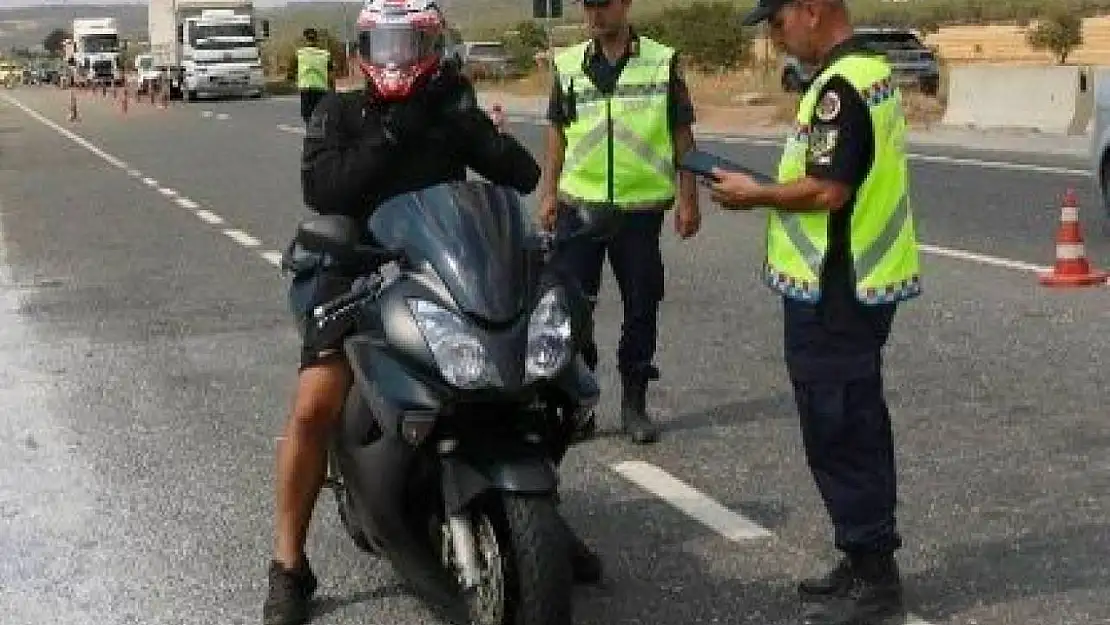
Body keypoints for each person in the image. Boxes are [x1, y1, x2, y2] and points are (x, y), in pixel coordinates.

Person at [264, 2, 601, 624]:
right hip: (359, 266)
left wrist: (475, 131)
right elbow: (326, 191)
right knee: (315, 403)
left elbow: (518, 176)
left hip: (444, 269)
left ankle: (540, 517)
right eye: (382, 44)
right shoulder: (338, 113)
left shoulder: (451, 104)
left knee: (539, 372)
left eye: (408, 44)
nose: (395, 59)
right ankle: (289, 564)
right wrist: (398, 129)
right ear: (361, 49)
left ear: (432, 47)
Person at [708, 1, 921, 623]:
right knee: (852, 422)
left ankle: (875, 578)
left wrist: (756, 195)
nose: (775, 39)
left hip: (836, 287)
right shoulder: (869, 71)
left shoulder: (840, 87)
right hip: (857, 283)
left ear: (809, 9)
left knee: (840, 430)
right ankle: (861, 557)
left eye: (777, 24)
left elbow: (828, 189)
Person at [540, 0, 701, 445]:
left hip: (639, 212)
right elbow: (557, 130)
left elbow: (682, 134)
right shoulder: (568, 65)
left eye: (604, 4)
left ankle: (634, 402)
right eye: (588, 5)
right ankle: (578, 405)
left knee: (641, 307)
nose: (595, 14)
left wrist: (690, 199)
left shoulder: (662, 63)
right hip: (580, 208)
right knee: (573, 312)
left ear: (625, 5)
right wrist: (549, 192)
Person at [293, 28, 334, 126]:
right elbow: (331, 70)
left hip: (306, 88)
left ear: (306, 39)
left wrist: (292, 78)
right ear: (316, 39)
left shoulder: (299, 53)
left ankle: (310, 130)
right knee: (320, 113)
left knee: (307, 115)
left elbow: (292, 69)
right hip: (321, 88)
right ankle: (319, 131)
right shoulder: (325, 54)